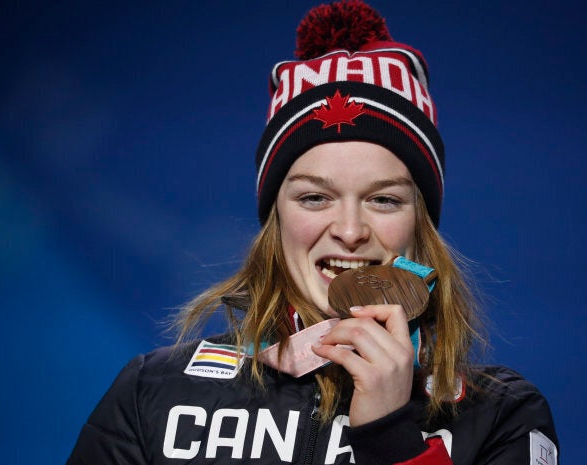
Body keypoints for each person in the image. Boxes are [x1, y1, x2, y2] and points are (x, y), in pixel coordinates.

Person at [67, 1, 558, 464]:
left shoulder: (501, 416)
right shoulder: (153, 392)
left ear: (420, 221)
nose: (349, 231)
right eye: (314, 197)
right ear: (274, 218)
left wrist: (391, 436)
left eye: (383, 199)